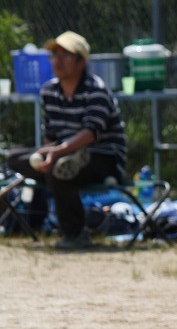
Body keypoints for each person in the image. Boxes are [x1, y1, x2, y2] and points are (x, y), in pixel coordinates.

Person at [7, 31, 127, 250]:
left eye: (65, 56)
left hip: (103, 157)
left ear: (81, 62)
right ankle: (66, 162)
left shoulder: (97, 90)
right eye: (54, 56)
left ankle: (75, 233)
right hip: (63, 154)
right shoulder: (49, 91)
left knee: (59, 167)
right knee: (15, 157)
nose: (57, 61)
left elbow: (91, 133)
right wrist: (47, 154)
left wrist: (57, 152)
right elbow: (51, 136)